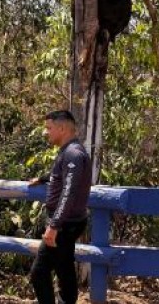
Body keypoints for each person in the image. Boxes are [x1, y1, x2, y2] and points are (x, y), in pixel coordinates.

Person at [29, 110, 92, 304]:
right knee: (65, 270)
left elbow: (69, 191)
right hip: (70, 222)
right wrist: (44, 179)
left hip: (64, 225)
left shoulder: (72, 153)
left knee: (39, 273)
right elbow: (65, 177)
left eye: (49, 128)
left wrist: (54, 226)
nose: (46, 132)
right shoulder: (70, 151)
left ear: (62, 128)